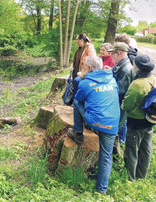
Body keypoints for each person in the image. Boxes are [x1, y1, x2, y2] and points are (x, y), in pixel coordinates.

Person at [67, 56, 120, 194]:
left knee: (77, 103)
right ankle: (101, 190)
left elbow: (78, 99)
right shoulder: (112, 79)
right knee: (106, 156)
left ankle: (78, 132)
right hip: (113, 123)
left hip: (96, 121)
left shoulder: (85, 83)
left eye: (84, 68)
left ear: (89, 68)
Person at [121, 54, 156, 182]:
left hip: (136, 122)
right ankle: (141, 176)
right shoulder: (153, 79)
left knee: (131, 150)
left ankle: (130, 178)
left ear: (139, 68)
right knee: (146, 149)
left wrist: (123, 103)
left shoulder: (137, 84)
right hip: (150, 120)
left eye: (134, 63)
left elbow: (126, 105)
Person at [107, 42, 135, 144]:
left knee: (122, 122)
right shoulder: (118, 65)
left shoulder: (126, 69)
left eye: (112, 53)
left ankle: (121, 142)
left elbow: (121, 91)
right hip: (117, 102)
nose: (110, 56)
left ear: (119, 53)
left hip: (121, 103)